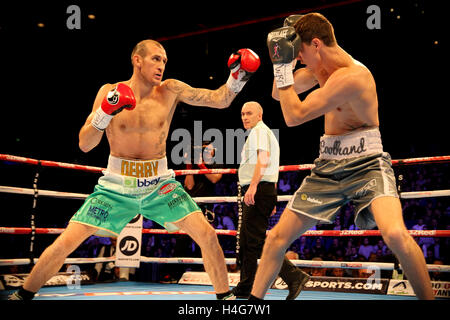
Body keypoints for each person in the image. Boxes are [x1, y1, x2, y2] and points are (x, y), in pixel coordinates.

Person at [9, 39, 260, 300]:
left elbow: (219, 99)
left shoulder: (170, 89)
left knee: (207, 235)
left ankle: (225, 299)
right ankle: (23, 295)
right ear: (137, 60)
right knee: (66, 241)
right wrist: (105, 112)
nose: (161, 65)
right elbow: (85, 144)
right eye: (155, 58)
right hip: (116, 186)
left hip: (159, 184)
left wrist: (238, 77)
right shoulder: (110, 91)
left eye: (164, 60)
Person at [250, 13, 434, 300]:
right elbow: (278, 92)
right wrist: (282, 63)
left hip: (367, 163)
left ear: (316, 45)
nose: (298, 60)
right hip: (328, 165)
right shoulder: (317, 69)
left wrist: (283, 66)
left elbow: (293, 116)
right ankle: (253, 304)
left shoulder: (352, 77)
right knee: (275, 238)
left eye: (299, 53)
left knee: (396, 234)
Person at [232, 101, 309, 300]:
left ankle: (294, 276)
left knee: (255, 242)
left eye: (249, 113)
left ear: (260, 115)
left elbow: (264, 159)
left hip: (258, 189)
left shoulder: (259, 131)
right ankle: (245, 286)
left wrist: (255, 186)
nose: (244, 117)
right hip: (262, 189)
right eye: (242, 114)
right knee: (248, 240)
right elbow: (272, 164)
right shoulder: (262, 132)